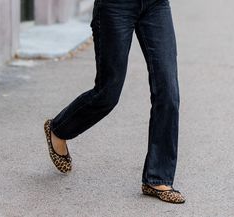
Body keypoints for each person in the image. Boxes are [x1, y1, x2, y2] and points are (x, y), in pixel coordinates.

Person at [44, 0, 185, 204]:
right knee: (107, 94)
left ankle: (157, 178)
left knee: (169, 91)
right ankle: (59, 129)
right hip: (115, 7)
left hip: (156, 5)